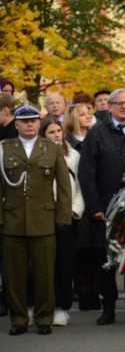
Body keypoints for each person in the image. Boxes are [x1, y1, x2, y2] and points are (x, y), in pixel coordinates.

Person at [78, 88, 125, 326]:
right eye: (119, 103)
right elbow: (86, 173)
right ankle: (108, 308)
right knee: (106, 259)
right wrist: (94, 206)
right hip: (106, 208)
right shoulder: (97, 133)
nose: (124, 107)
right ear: (109, 106)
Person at [1, 105, 72, 335]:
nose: (30, 124)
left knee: (45, 274)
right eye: (25, 121)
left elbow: (63, 187)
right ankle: (19, 320)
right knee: (14, 276)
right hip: (12, 220)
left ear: (39, 123)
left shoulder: (51, 148)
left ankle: (44, 318)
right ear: (17, 124)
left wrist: (63, 218)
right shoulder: (4, 149)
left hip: (44, 220)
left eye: (33, 120)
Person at [40, 117, 84, 327]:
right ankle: (37, 305)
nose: (57, 135)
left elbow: (79, 186)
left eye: (58, 131)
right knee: (40, 264)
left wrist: (74, 210)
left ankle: (61, 307)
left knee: (64, 264)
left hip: (66, 217)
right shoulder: (37, 156)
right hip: (41, 216)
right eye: (51, 132)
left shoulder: (73, 155)